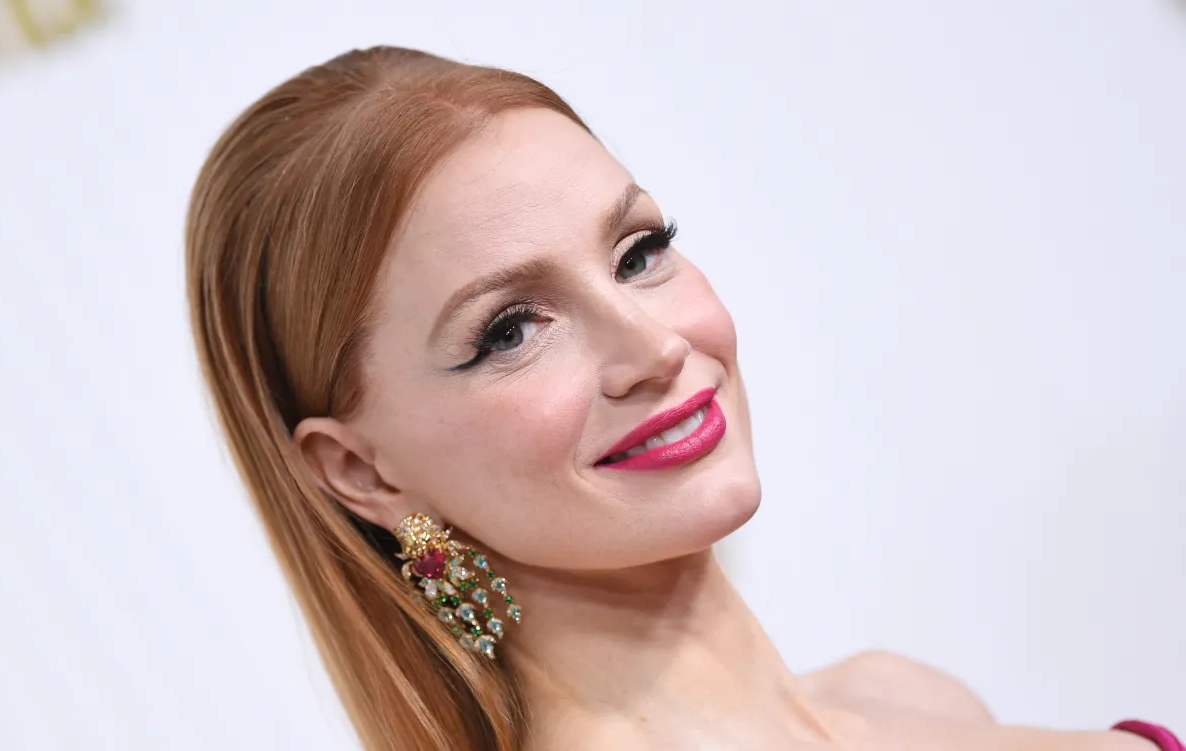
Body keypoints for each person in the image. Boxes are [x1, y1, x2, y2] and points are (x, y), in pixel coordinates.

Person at [184, 46, 1178, 751]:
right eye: (511, 329)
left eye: (638, 253)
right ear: (362, 471)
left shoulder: (906, 693)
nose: (655, 347)